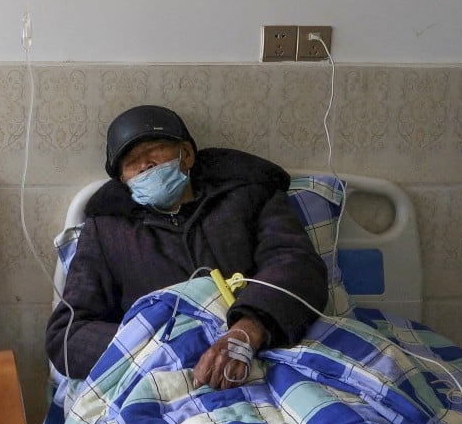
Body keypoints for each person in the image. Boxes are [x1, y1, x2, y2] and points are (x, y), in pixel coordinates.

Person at [46, 105, 328, 389]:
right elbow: (68, 337)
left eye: (155, 150)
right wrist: (169, 344)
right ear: (123, 180)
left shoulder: (250, 197)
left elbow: (296, 264)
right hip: (166, 376)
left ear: (187, 155)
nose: (146, 165)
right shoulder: (107, 233)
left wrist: (247, 331)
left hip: (272, 347)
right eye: (132, 163)